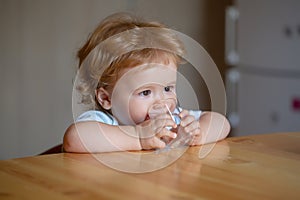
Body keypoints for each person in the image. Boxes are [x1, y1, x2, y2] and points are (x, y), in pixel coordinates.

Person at [63, 12, 230, 153]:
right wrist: (138, 137)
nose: (161, 101)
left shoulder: (175, 120)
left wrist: (198, 133)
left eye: (167, 88)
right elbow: (74, 138)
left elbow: (221, 123)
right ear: (107, 99)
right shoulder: (105, 121)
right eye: (145, 92)